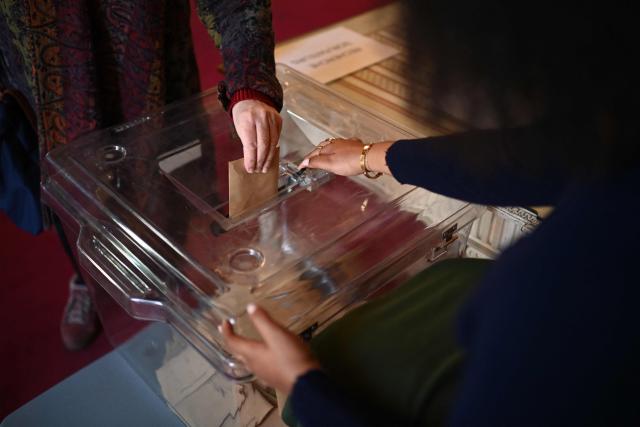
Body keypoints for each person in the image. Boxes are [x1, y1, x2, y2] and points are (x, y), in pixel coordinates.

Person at [218, 0, 640, 425]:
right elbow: (553, 154)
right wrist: (376, 155)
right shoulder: (614, 135)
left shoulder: (551, 290)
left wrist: (302, 385)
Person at [0, 0, 283, 350]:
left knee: (175, 191)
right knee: (73, 210)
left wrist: (250, 84)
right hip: (42, 93)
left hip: (154, 74)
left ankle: (177, 281)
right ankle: (88, 280)